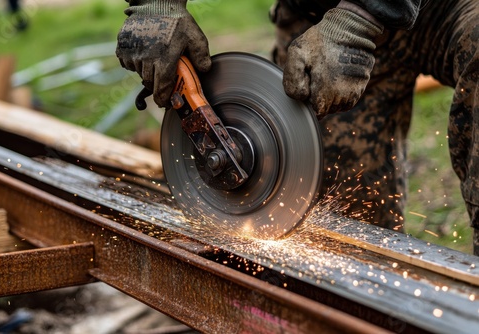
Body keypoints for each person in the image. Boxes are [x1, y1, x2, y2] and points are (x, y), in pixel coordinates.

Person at [116, 0, 479, 255]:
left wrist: (356, 23)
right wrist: (156, 5)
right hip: (317, 19)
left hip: (446, 9)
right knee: (339, 227)